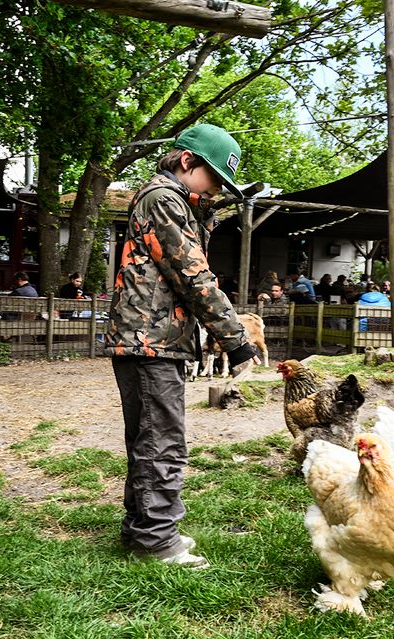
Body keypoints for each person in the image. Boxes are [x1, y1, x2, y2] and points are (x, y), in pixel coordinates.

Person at [105, 123, 259, 569]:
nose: (215, 191)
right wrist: (236, 340)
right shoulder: (162, 199)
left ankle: (144, 529)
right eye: (213, 179)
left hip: (150, 339)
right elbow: (193, 275)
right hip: (150, 341)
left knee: (149, 437)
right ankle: (156, 540)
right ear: (188, 161)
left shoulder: (175, 201)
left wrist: (207, 208)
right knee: (162, 441)